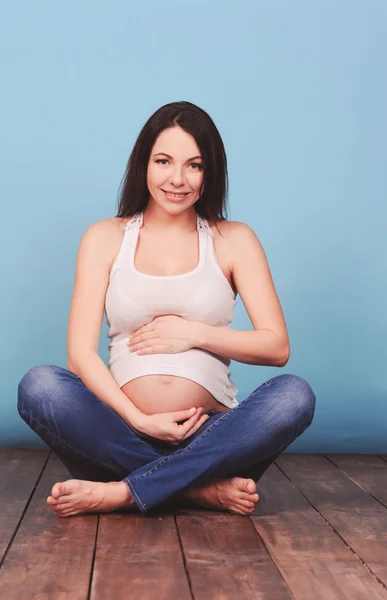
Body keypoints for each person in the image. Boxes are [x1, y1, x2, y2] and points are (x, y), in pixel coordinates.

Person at [17, 101, 316, 518]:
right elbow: (79, 354)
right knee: (39, 386)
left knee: (294, 396)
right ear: (144, 164)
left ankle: (124, 492)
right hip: (118, 430)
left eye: (193, 165)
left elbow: (276, 346)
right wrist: (139, 419)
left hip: (210, 436)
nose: (177, 179)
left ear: (209, 173)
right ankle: (195, 490)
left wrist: (194, 333)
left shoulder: (233, 240)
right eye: (163, 161)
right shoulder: (105, 237)